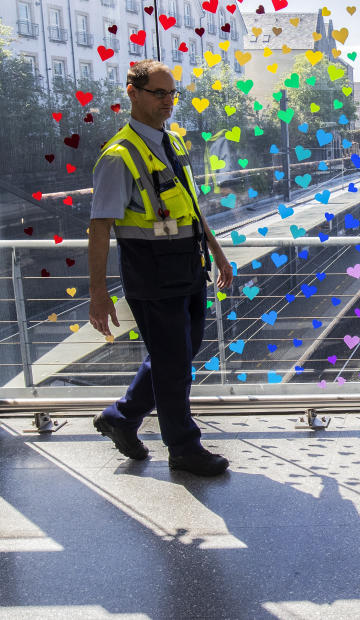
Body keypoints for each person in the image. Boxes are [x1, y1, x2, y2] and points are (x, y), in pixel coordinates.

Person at [88, 59, 232, 476]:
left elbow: (189, 207)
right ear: (133, 93)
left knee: (180, 355)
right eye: (159, 93)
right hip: (151, 277)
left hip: (188, 268)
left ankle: (121, 416)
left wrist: (218, 251)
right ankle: (184, 447)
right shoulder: (119, 157)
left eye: (172, 94)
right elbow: (99, 229)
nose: (168, 101)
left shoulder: (172, 143)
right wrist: (98, 293)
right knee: (173, 364)